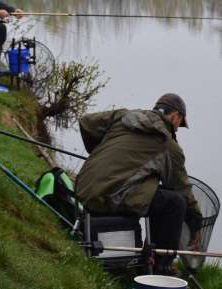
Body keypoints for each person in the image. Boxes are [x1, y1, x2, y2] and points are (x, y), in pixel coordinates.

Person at [75, 93, 203, 276]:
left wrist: (101, 151)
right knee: (175, 203)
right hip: (110, 197)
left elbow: (86, 122)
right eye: (179, 123)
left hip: (84, 188)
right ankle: (161, 267)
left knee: (154, 187)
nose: (177, 128)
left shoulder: (125, 115)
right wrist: (196, 222)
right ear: (175, 116)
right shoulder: (168, 146)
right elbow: (182, 189)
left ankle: (146, 256)